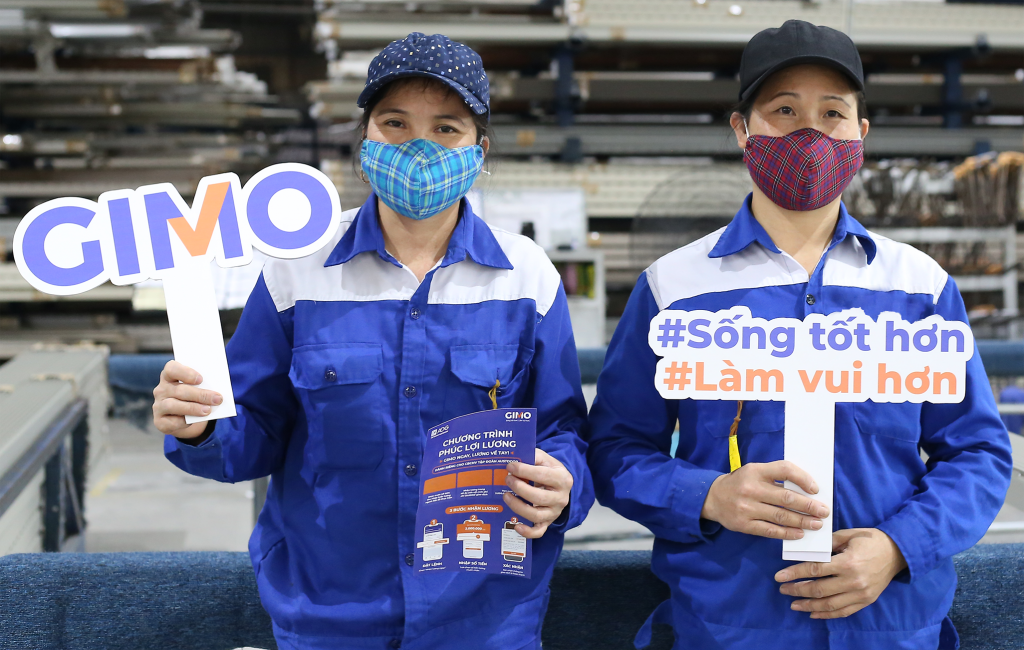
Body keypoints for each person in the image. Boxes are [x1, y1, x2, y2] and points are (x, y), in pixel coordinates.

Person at [153, 32, 593, 650]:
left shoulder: (526, 277)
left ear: (479, 149)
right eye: (394, 124)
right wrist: (199, 426)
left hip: (485, 615)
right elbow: (251, 437)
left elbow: (564, 432)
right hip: (328, 611)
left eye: (447, 129)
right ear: (364, 142)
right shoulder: (296, 272)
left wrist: (564, 482)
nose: (419, 148)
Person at [587, 20, 1011, 650]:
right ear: (742, 130)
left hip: (889, 625)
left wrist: (899, 546)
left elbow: (977, 452)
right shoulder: (674, 288)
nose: (811, 131)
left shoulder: (919, 288)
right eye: (783, 110)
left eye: (833, 113)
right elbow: (616, 448)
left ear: (861, 134)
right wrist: (706, 495)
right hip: (727, 626)